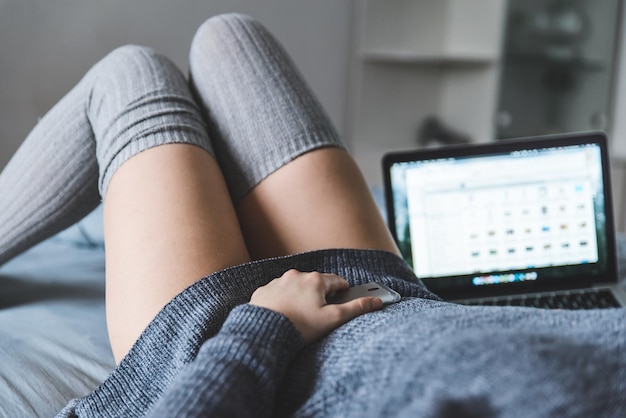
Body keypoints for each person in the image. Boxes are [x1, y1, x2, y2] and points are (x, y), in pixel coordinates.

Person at [1, 13, 624, 418]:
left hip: (223, 350)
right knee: (230, 36)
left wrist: (264, 324)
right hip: (384, 300)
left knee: (131, 74)